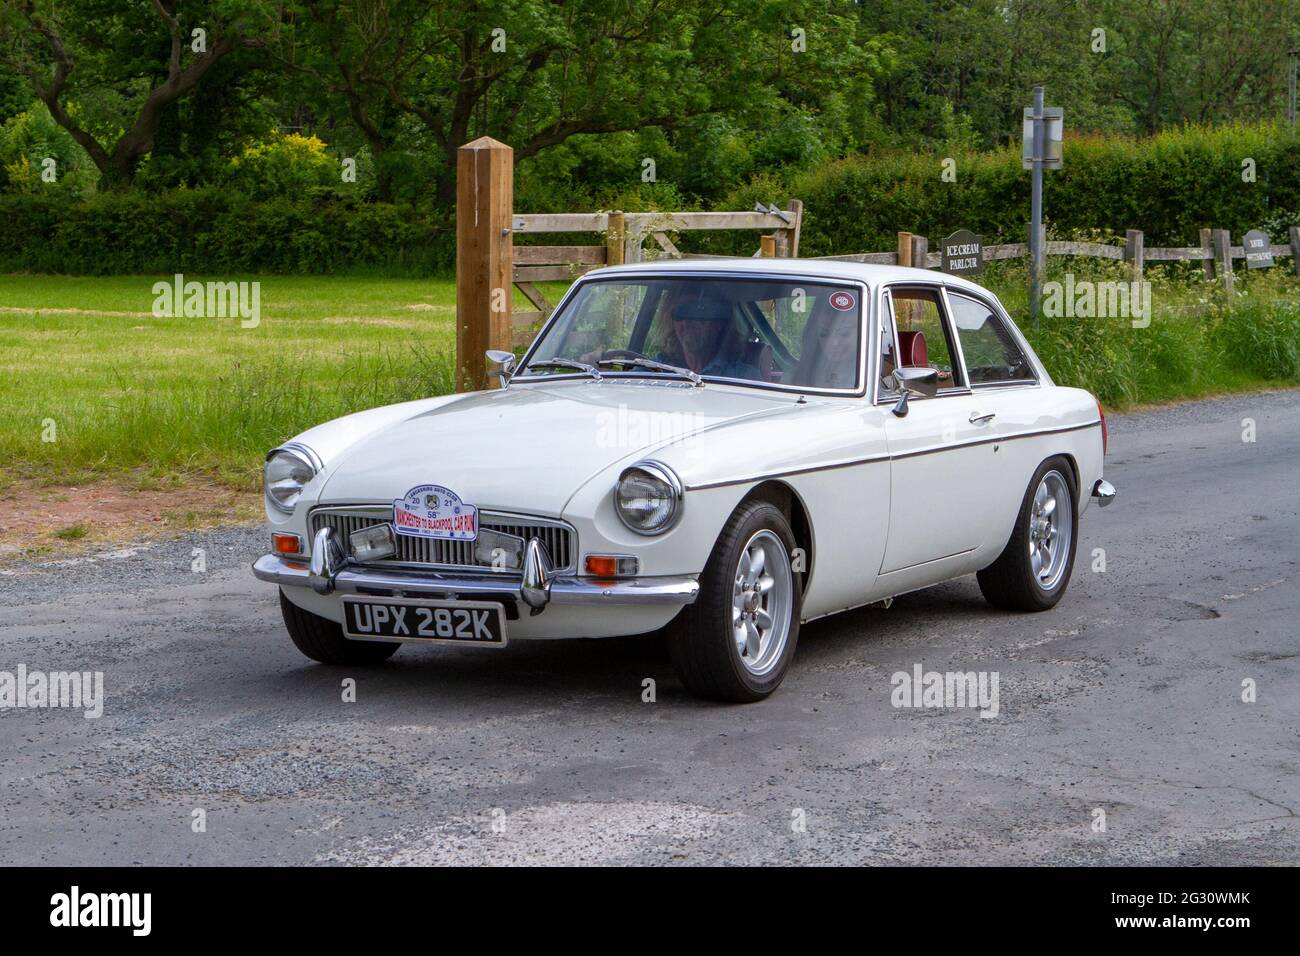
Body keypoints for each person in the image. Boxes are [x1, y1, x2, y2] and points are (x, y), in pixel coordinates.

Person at [658, 298, 761, 380]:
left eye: (699, 311)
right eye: (680, 312)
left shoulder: (744, 377)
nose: (686, 322)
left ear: (719, 323)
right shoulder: (656, 370)